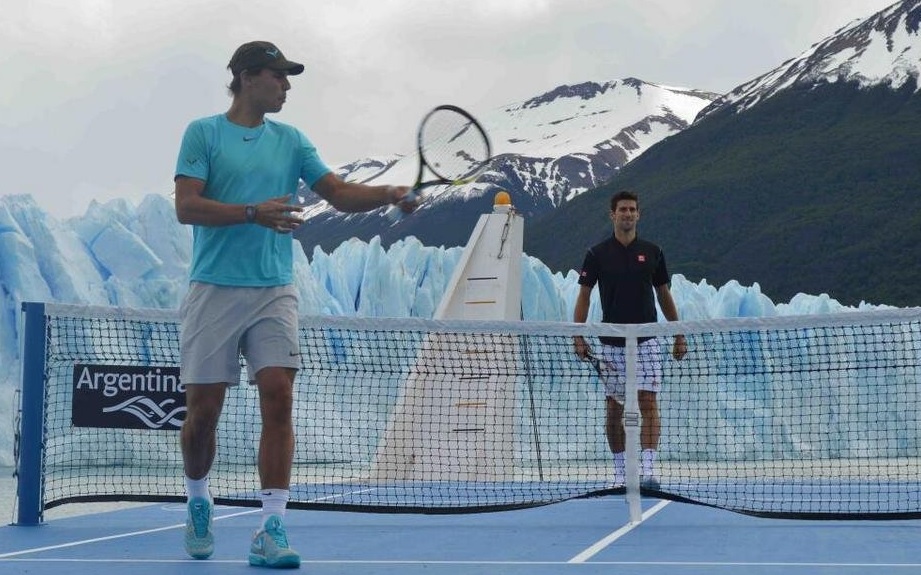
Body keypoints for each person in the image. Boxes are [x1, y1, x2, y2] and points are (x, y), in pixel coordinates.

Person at [173, 40, 416, 568]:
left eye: (288, 77)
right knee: (202, 416)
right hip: (214, 286)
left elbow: (339, 193)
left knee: (279, 395)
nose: (287, 86)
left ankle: (272, 526)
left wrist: (389, 193)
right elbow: (187, 207)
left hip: (274, 289)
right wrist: (253, 212)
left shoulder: (292, 140)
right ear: (246, 77)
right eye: (279, 76)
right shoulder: (203, 133)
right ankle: (198, 500)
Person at [572, 190, 687, 490]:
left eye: (632, 209)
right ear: (612, 215)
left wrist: (678, 333)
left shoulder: (653, 252)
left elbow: (663, 293)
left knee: (649, 402)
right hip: (611, 343)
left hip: (648, 341)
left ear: (639, 214)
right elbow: (583, 295)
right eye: (622, 209)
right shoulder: (596, 254)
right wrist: (578, 336)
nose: (627, 214)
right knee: (614, 408)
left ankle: (648, 469)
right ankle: (621, 471)